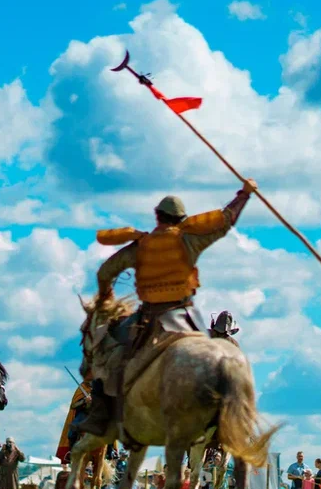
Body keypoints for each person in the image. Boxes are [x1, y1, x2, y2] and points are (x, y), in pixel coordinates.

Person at [77, 180, 258, 435]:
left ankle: (101, 417)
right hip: (187, 318)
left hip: (151, 318)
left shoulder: (141, 245)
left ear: (157, 216)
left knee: (111, 357)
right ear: (181, 218)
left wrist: (106, 297)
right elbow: (227, 219)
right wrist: (245, 194)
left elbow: (105, 272)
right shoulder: (189, 241)